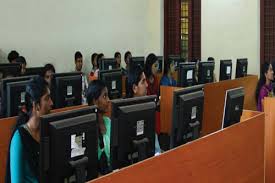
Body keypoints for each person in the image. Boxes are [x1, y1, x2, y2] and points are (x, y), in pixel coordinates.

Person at [6, 76, 53, 183]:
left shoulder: (48, 131)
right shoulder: (19, 138)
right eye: (47, 98)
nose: (51, 103)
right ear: (36, 106)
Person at [128, 64, 162, 154]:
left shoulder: (148, 109)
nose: (147, 85)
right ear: (134, 88)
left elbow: (156, 149)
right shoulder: (125, 113)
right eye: (143, 82)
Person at [86, 80, 111, 175]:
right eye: (104, 96)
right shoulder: (89, 129)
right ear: (94, 101)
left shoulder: (109, 122)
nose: (108, 100)